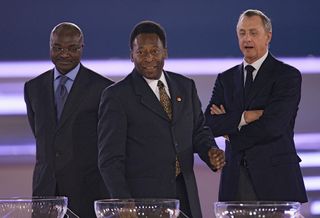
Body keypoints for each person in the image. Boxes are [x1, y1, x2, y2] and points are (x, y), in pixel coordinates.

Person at [98, 20, 225, 218]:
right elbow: (109, 159)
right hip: (142, 202)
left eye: (154, 51)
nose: (149, 58)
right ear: (131, 55)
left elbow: (198, 130)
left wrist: (209, 151)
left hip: (185, 196)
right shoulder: (117, 96)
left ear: (165, 52)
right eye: (141, 52)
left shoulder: (185, 86)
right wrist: (122, 201)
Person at [205, 9, 308, 203]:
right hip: (235, 181)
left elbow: (273, 126)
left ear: (268, 36)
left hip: (276, 181)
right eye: (242, 33)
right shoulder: (226, 79)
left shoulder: (287, 76)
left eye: (253, 33)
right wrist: (245, 117)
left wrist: (230, 133)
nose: (247, 39)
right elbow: (209, 123)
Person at [24, 22, 113, 217]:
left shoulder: (104, 89)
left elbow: (109, 144)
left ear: (82, 48)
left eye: (72, 48)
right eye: (58, 48)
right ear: (50, 46)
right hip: (45, 194)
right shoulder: (33, 88)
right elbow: (43, 136)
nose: (64, 54)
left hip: (87, 193)